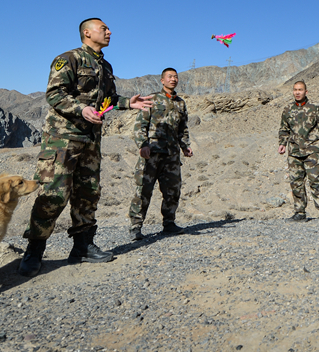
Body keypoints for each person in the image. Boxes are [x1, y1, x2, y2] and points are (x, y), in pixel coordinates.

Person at [18, 18, 153, 277]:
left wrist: (127, 103)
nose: (109, 31)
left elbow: (108, 100)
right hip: (63, 139)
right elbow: (55, 94)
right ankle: (34, 251)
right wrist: (81, 109)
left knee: (88, 193)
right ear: (87, 33)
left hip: (91, 140)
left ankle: (82, 247)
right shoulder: (69, 59)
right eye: (104, 28)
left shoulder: (106, 66)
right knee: (53, 193)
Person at [129, 68, 193, 241]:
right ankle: (136, 226)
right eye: (170, 77)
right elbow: (140, 125)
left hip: (171, 155)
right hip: (152, 153)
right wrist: (143, 145)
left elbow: (182, 129)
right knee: (143, 190)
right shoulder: (152, 99)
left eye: (176, 77)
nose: (173, 79)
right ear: (162, 80)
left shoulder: (180, 103)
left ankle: (169, 223)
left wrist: (185, 146)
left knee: (173, 190)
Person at [278, 81, 319, 223]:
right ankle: (299, 212)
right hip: (294, 151)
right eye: (295, 90)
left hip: (312, 151)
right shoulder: (288, 109)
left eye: (300, 90)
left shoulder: (315, 108)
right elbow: (284, 128)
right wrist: (282, 144)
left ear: (306, 92)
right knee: (296, 182)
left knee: (315, 181)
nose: (297, 92)